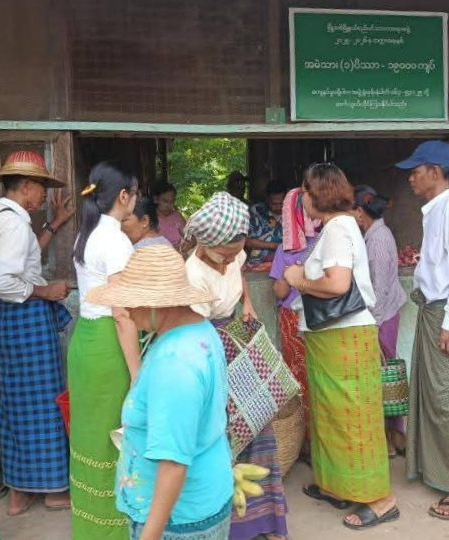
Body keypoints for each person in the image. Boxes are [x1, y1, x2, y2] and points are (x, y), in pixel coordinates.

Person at [86, 245, 233, 540]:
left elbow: (173, 463)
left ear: (158, 304)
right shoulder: (201, 330)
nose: (126, 310)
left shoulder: (174, 364)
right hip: (203, 496)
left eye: (132, 301)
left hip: (178, 519)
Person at [282, 164, 397, 530]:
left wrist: (298, 279)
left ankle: (380, 500)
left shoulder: (337, 228)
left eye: (305, 190)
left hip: (344, 336)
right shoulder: (338, 226)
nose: (302, 198)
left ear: (320, 193)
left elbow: (337, 284)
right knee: (331, 415)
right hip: (330, 337)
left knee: (354, 417)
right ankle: (336, 484)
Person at [183, 192, 288, 540]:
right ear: (205, 244)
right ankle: (233, 528)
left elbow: (239, 270)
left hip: (234, 335)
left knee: (258, 425)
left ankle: (269, 521)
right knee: (226, 433)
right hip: (210, 347)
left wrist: (248, 302)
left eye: (235, 252)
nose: (230, 259)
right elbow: (196, 333)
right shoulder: (193, 274)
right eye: (224, 254)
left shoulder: (234, 252)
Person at [0, 150, 75, 516]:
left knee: (16, 406)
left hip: (6, 319)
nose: (43, 196)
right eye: (41, 187)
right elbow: (3, 281)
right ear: (27, 186)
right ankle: (53, 489)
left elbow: (23, 260)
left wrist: (55, 223)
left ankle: (19, 492)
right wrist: (46, 292)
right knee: (46, 403)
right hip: (26, 318)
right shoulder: (15, 225)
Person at [395, 140, 449, 520]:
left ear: (435, 172)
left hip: (446, 314)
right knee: (430, 393)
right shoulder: (435, 211)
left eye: (415, 171)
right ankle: (436, 468)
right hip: (434, 311)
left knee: (445, 398)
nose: (411, 178)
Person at [68, 163, 142, 538]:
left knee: (90, 436)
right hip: (108, 345)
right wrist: (137, 374)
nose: (137, 199)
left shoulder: (86, 234)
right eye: (135, 192)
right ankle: (113, 530)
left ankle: (89, 527)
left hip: (85, 340)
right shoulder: (115, 240)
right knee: (115, 435)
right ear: (123, 196)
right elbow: (121, 314)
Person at [354, 185, 408, 459]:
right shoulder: (374, 235)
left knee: (382, 376)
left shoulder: (377, 239)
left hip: (381, 317)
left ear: (359, 212)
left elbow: (380, 288)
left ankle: (391, 436)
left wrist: (372, 326)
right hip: (383, 315)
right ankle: (394, 435)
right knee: (384, 376)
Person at [269, 187, 319, 460]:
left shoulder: (286, 249)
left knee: (301, 377)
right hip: (313, 319)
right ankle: (313, 440)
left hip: (299, 318)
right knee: (312, 377)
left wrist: (290, 275)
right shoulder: (321, 241)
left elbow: (279, 292)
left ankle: (307, 441)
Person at [247, 181, 287, 265]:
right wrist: (275, 245)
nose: (278, 207)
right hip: (258, 264)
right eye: (274, 204)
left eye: (281, 203)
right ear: (267, 199)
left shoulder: (292, 212)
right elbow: (247, 241)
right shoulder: (256, 211)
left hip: (286, 263)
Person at [154, 182, 187, 249]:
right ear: (156, 199)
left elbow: (190, 237)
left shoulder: (177, 217)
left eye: (172, 202)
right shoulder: (150, 218)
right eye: (165, 201)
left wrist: (188, 245)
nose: (169, 205)